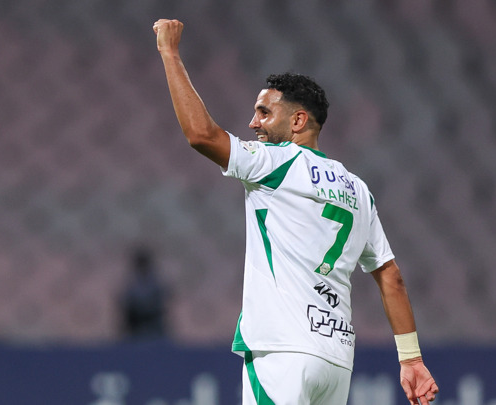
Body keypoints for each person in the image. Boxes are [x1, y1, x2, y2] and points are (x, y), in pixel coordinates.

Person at [152, 19, 438, 405]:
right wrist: (411, 359)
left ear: (298, 120)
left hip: (283, 350)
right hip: (336, 360)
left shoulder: (277, 163)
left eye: (264, 112)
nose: (253, 123)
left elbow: (201, 135)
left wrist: (169, 53)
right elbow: (391, 277)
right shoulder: (358, 190)